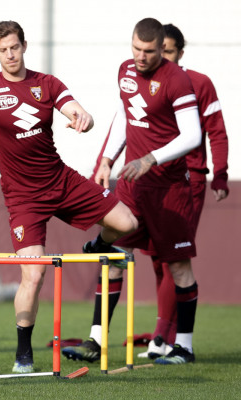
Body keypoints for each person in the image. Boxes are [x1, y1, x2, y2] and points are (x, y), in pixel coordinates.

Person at [0, 20, 138, 374]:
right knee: (34, 275)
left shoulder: (46, 84)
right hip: (23, 198)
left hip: (61, 181)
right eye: (3, 50)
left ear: (24, 45)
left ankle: (97, 246)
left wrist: (82, 117)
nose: (10, 54)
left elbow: (74, 108)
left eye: (14, 47)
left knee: (127, 223)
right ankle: (23, 354)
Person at [62, 18, 202, 365]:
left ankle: (184, 346)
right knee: (112, 260)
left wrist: (151, 159)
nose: (141, 56)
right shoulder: (125, 70)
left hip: (168, 189)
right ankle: (95, 340)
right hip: (131, 183)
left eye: (149, 51)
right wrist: (108, 158)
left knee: (179, 266)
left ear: (161, 49)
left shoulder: (176, 79)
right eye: (136, 49)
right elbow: (127, 117)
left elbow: (193, 135)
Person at [134, 23, 229, 359]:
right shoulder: (140, 80)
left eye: (168, 51)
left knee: (175, 257)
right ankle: (167, 332)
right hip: (148, 179)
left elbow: (216, 132)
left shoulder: (196, 83)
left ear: (175, 52)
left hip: (186, 178)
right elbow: (127, 121)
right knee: (157, 259)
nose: (158, 58)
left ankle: (166, 336)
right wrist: (106, 160)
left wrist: (221, 174)